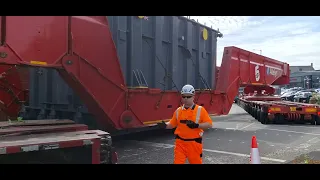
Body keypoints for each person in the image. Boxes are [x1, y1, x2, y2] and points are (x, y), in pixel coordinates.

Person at [157, 84, 213, 164]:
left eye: (188, 96)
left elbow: (209, 124)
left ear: (193, 96)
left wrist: (197, 125)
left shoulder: (200, 110)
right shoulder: (178, 111)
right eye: (184, 96)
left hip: (194, 145)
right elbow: (172, 124)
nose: (186, 99)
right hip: (180, 144)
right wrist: (165, 125)